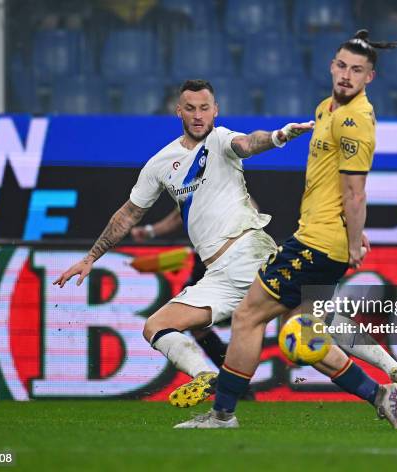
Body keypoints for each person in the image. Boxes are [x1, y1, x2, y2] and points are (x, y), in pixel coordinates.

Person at [174, 30, 397, 430]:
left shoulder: (355, 120)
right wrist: (349, 231)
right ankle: (380, 394)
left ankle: (222, 414)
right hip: (327, 238)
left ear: (369, 78)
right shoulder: (326, 108)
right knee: (301, 335)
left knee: (247, 316)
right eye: (341, 65)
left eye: (357, 70)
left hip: (317, 243)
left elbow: (355, 192)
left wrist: (354, 236)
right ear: (331, 65)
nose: (346, 74)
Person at [53, 79, 314, 406]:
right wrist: (91, 257)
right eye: (190, 108)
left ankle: (388, 374)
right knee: (156, 326)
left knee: (308, 334)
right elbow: (129, 213)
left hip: (249, 255)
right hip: (217, 273)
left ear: (215, 110)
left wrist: (280, 136)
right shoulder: (161, 163)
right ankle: (206, 376)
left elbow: (249, 144)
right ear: (179, 111)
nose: (198, 114)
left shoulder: (221, 140)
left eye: (205, 107)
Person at [131, 209, 256, 400]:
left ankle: (236, 384)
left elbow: (249, 216)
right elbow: (178, 214)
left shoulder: (230, 193)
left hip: (226, 264)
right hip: (211, 262)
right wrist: (150, 231)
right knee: (203, 328)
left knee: (247, 322)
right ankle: (235, 384)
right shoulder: (199, 188)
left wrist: (150, 231)